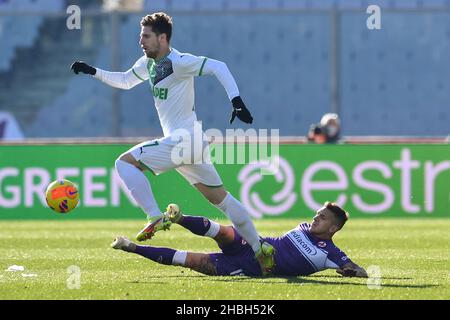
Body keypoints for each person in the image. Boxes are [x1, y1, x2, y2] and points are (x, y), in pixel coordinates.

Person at [70, 12, 275, 273]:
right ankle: (260, 249)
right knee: (221, 199)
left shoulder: (178, 61)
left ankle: (154, 216)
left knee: (124, 163)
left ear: (162, 37)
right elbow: (125, 80)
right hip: (191, 144)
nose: (141, 41)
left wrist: (236, 100)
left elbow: (219, 66)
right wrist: (93, 71)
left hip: (183, 141)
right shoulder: (149, 63)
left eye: (146, 36)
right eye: (140, 35)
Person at [111, 202, 368, 278]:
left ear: (333, 228)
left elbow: (360, 270)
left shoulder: (331, 253)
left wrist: (351, 272)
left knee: (189, 259)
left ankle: (131, 247)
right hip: (256, 244)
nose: (314, 219)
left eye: (321, 218)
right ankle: (177, 217)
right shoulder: (304, 227)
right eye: (316, 214)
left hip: (251, 267)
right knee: (223, 231)